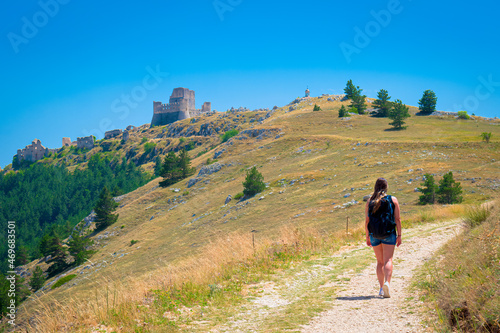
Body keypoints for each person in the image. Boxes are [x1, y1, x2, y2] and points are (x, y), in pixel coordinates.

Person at [365, 177, 402, 298]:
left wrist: (367, 236)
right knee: (388, 260)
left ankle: (381, 288)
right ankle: (387, 283)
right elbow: (397, 219)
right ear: (386, 187)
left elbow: (367, 220)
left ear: (375, 187)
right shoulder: (392, 199)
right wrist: (399, 235)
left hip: (374, 235)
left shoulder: (370, 201)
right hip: (389, 233)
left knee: (380, 262)